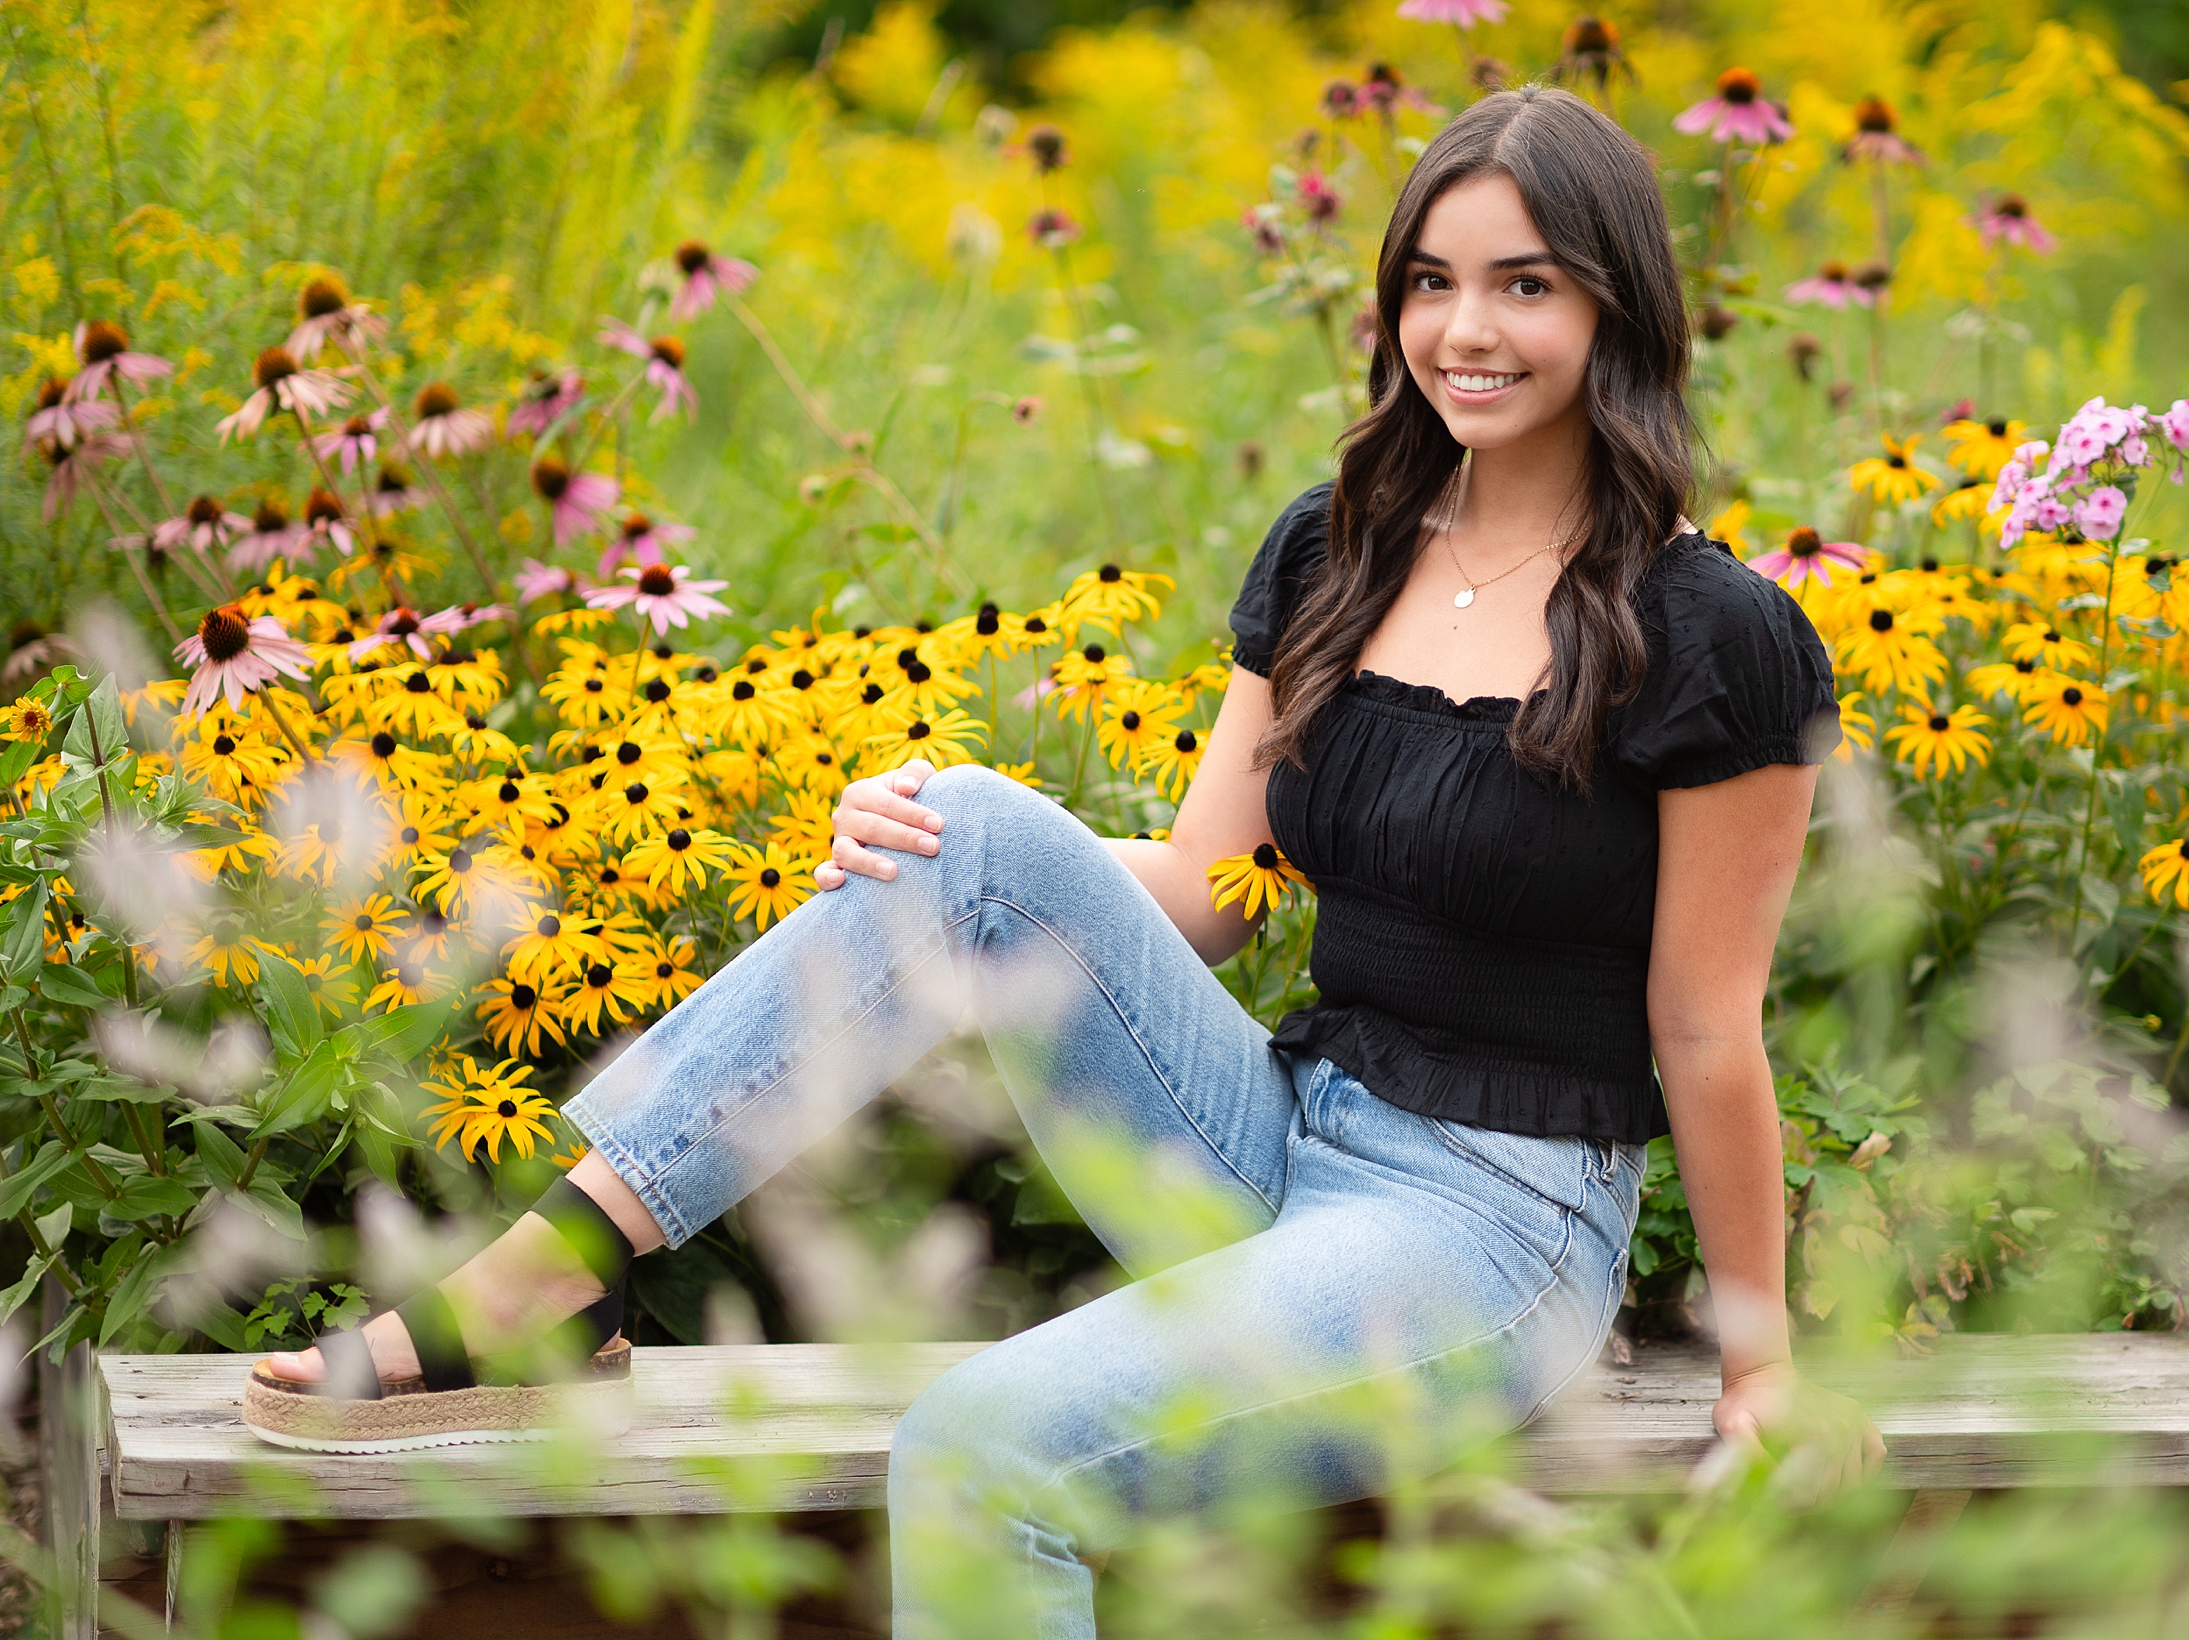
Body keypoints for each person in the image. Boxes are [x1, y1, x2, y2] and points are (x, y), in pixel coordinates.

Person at [248, 85, 1884, 1633]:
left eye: (1525, 284)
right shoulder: (1341, 548)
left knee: (978, 1449)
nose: (1467, 331)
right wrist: (939, 862)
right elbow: (1204, 889)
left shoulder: (1712, 634)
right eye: (1432, 283)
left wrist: (1760, 1367)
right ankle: (561, 1270)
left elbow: (1701, 1028)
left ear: (1617, 309)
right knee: (955, 817)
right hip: (1272, 1136)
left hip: (1490, 1232)